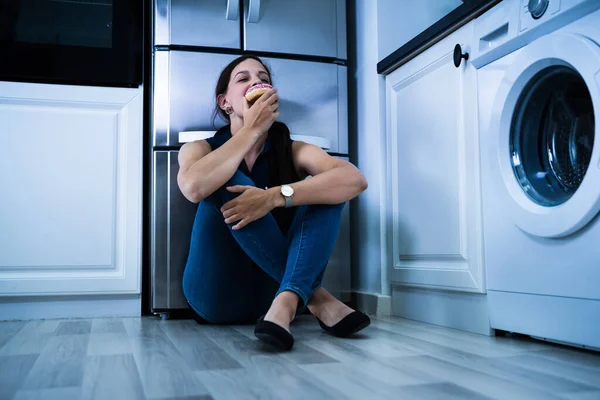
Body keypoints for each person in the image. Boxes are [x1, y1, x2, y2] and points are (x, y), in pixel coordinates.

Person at [177, 55, 370, 351]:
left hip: (273, 300)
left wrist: (274, 197)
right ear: (225, 102)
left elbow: (354, 180)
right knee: (224, 177)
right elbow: (192, 187)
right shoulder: (200, 149)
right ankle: (316, 298)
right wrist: (252, 130)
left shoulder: (293, 150)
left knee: (329, 187)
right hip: (215, 293)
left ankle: (287, 302)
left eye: (262, 78)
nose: (256, 82)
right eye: (243, 79)